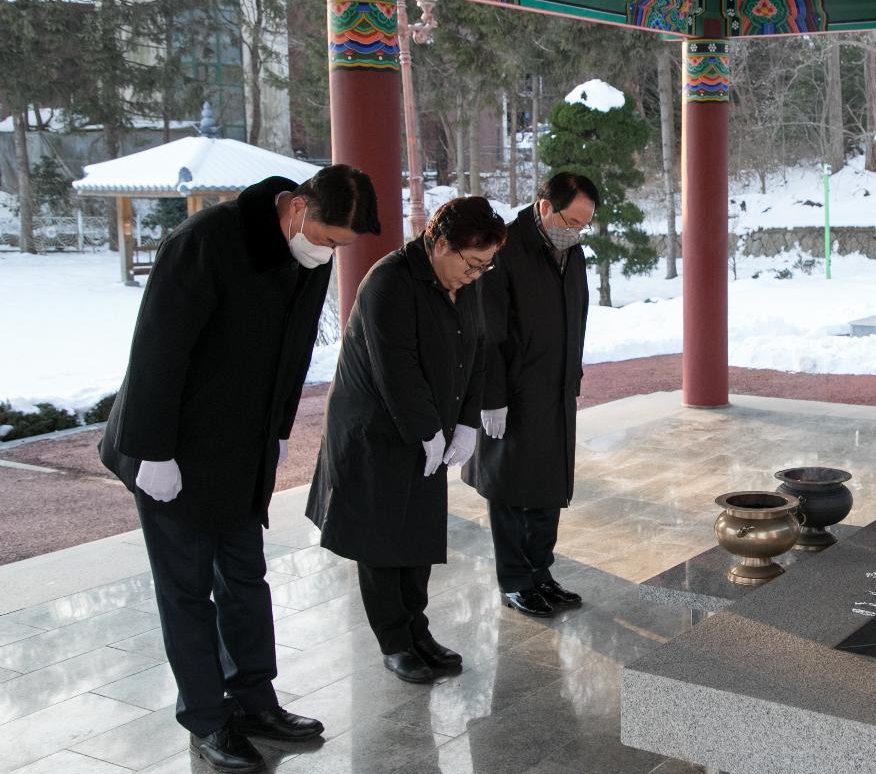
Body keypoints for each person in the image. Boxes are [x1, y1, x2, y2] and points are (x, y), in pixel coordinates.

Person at [99, 166, 381, 773]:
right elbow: (157, 345)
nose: (329, 252)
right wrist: (152, 450)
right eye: (328, 238)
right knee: (187, 591)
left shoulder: (308, 259)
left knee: (245, 580)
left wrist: (275, 434)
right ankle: (207, 717)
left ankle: (254, 700)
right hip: (169, 446)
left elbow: (293, 352)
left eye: (339, 245)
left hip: (239, 448)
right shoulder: (206, 240)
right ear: (298, 207)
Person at [305, 196, 507, 683]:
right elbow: (396, 367)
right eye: (472, 263)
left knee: (417, 534)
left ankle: (418, 630)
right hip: (376, 431)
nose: (477, 275)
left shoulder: (464, 283)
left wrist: (466, 422)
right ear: (440, 243)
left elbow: (477, 349)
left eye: (486, 266)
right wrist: (428, 431)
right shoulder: (390, 280)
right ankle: (395, 642)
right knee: (382, 540)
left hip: (428, 426)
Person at [462, 172, 597, 617]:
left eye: (584, 225)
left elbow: (575, 316)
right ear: (544, 206)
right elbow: (487, 332)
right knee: (510, 490)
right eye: (571, 220)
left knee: (547, 486)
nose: (575, 231)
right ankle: (515, 580)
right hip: (513, 395)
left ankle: (541, 572)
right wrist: (491, 397)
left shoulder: (569, 251)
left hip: (555, 389)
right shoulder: (504, 250)